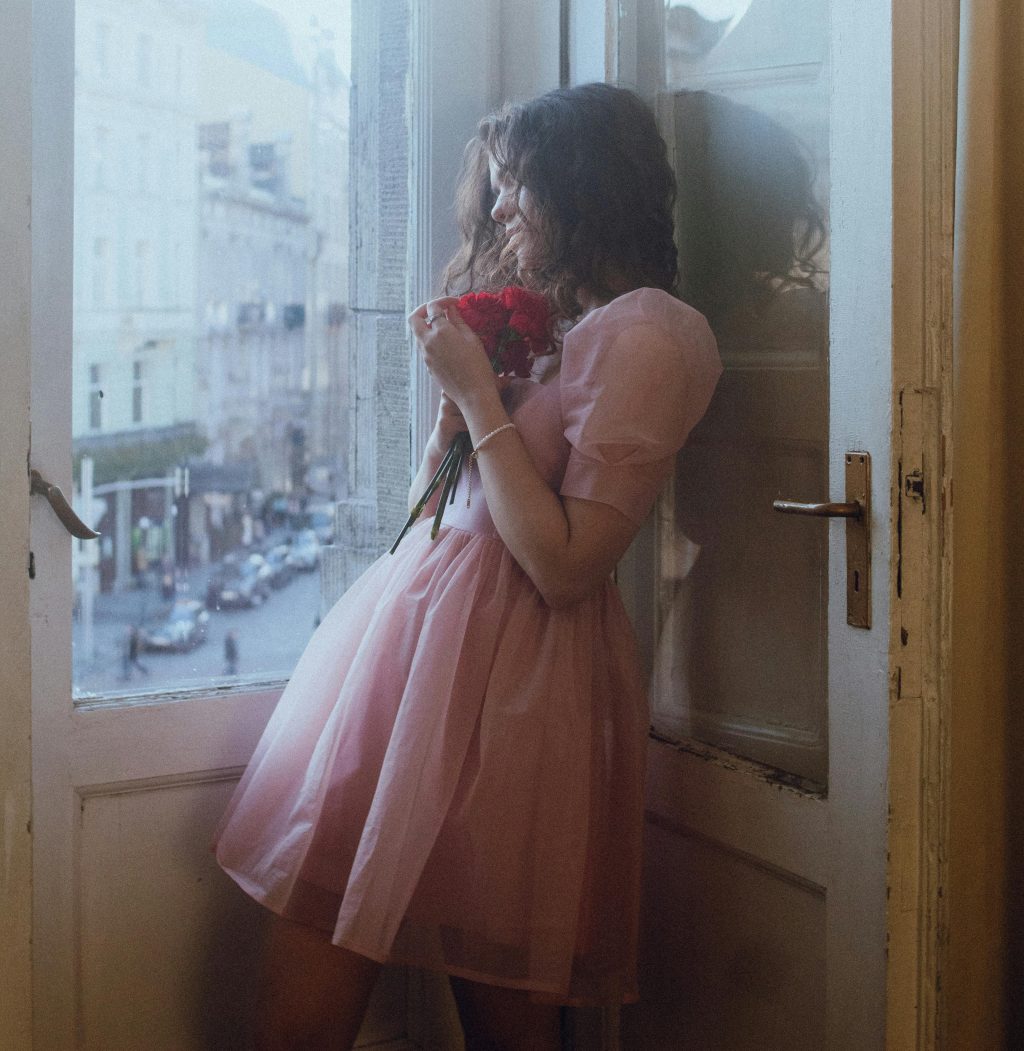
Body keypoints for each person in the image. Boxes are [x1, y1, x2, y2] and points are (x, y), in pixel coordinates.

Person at [213, 83, 722, 1050]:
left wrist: (481, 396)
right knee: (298, 1004)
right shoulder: (562, 328)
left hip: (521, 687)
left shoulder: (652, 331)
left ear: (579, 187)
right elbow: (443, 512)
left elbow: (568, 565)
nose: (495, 211)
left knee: (502, 1018)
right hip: (416, 668)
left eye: (514, 185)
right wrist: (460, 411)